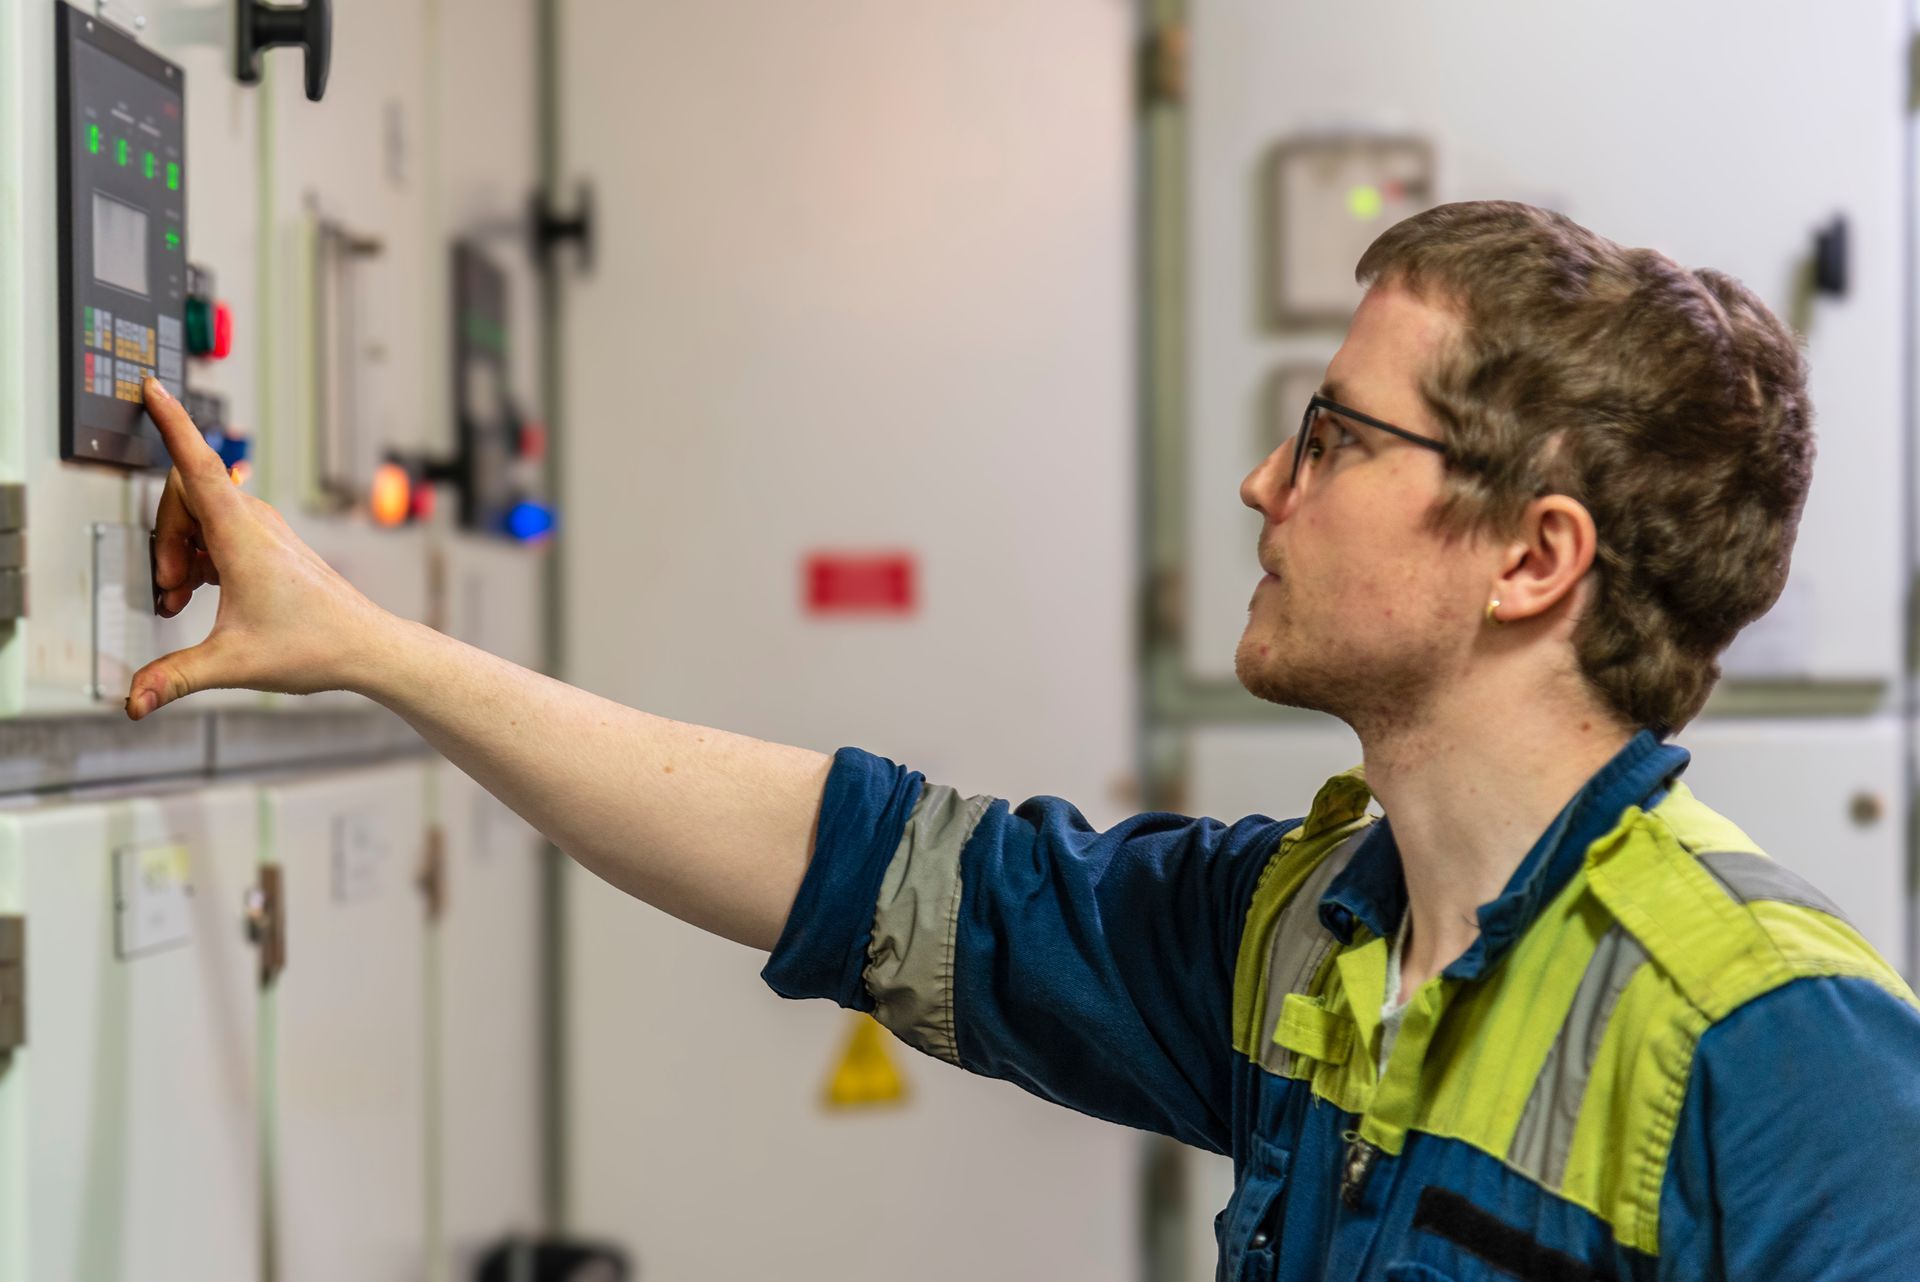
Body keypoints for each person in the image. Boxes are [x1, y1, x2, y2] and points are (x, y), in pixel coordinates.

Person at [130, 201, 1920, 1281]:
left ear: (1533, 558)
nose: (1264, 481)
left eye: (1333, 433)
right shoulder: (1308, 930)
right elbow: (847, 864)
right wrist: (365, 645)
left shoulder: (1786, 1052)